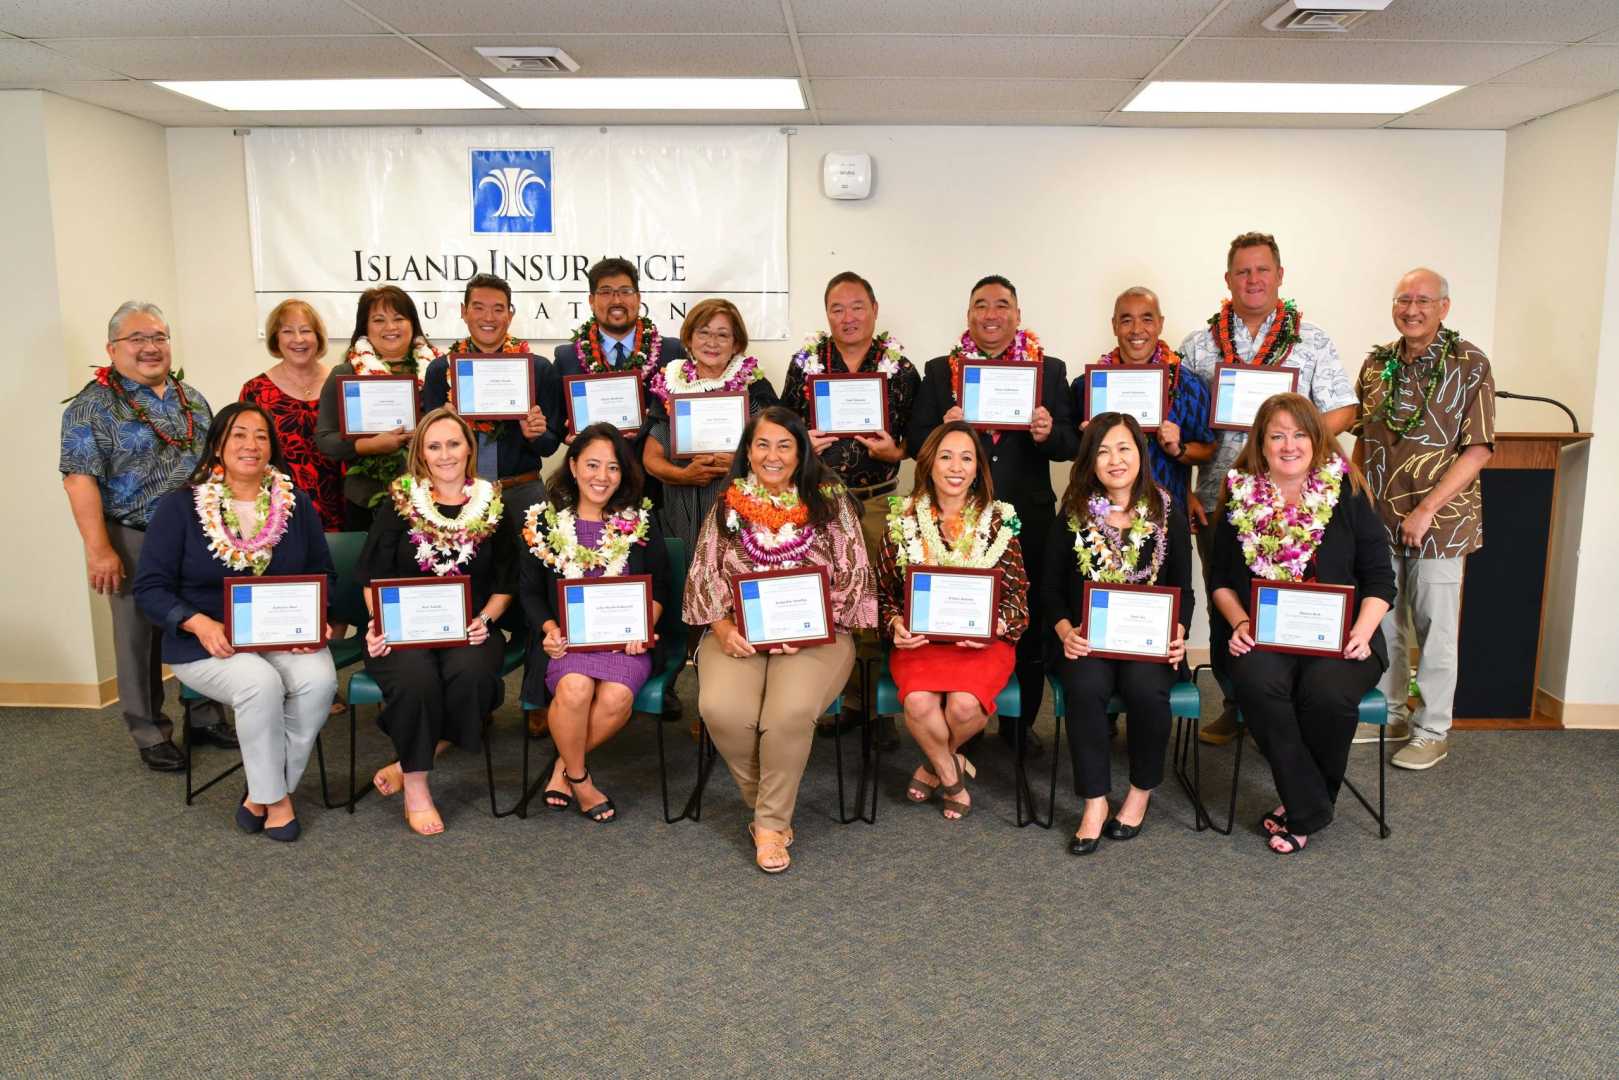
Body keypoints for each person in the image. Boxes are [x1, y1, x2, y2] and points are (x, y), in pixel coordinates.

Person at [1182, 233, 1359, 748]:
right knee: (1227, 600)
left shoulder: (1313, 341)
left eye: (1262, 270)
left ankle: (1286, 711)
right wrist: (1187, 488)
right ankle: (1238, 706)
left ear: (1280, 275)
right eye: (1242, 271)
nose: (1253, 279)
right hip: (1218, 496)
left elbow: (1345, 409)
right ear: (1228, 280)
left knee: (1293, 599)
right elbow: (1184, 424)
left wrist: (1289, 438)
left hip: (1295, 502)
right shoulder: (1199, 344)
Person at [133, 403, 340, 841]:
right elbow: (150, 588)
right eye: (239, 435)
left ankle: (259, 793)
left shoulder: (295, 503)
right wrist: (198, 623)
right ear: (219, 445)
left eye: (262, 436)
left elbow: (325, 574)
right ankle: (279, 800)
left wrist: (320, 618)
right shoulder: (181, 506)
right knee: (258, 684)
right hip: (207, 641)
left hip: (283, 634)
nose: (251, 445)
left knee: (319, 681)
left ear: (272, 447)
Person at [683, 407, 876, 873]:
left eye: (784, 445)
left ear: (801, 452)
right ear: (748, 452)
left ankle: (769, 823)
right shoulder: (728, 503)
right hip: (736, 630)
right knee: (722, 711)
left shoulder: (829, 499)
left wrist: (807, 624)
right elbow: (705, 572)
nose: (773, 455)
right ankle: (767, 797)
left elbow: (854, 575)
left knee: (786, 716)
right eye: (762, 445)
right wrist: (724, 629)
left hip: (816, 635)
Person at [1209, 394, 1395, 854]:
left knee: (1326, 691)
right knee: (1255, 680)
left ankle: (1299, 805)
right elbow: (1220, 583)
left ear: (1317, 439)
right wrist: (1238, 623)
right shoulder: (1240, 495)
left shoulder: (1348, 493)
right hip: (1267, 634)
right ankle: (1309, 805)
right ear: (1261, 443)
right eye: (1277, 435)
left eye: (1299, 434)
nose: (1288, 445)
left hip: (1345, 636)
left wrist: (1362, 633)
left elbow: (1380, 580)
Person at [908, 275, 1078, 752]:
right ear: (969, 316)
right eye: (981, 305)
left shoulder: (1049, 370)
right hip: (957, 523)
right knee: (964, 618)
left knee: (1027, 620)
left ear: (1017, 315)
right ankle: (970, 719)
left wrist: (1048, 432)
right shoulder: (942, 372)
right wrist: (940, 431)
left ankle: (1020, 728)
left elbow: (1072, 443)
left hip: (1028, 518)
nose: (991, 314)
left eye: (1001, 305)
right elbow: (914, 440)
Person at [60, 300, 229, 772]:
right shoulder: (90, 408)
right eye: (138, 339)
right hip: (132, 536)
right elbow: (79, 479)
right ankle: (149, 730)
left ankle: (205, 713)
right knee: (138, 636)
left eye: (159, 337)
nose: (150, 347)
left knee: (203, 616)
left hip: (197, 535)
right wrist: (99, 549)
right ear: (112, 347)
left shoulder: (190, 398)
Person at [1353, 268, 1495, 771]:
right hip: (1380, 518)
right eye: (1402, 300)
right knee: (1383, 621)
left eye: (1423, 300)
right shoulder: (1377, 364)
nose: (1411, 309)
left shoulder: (1469, 363)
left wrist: (1426, 508)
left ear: (1445, 307)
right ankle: (1388, 713)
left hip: (1441, 518)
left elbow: (1477, 450)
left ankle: (1433, 728)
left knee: (1435, 627)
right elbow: (1362, 435)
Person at [357, 407, 515, 836]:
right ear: (421, 455)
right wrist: (379, 622)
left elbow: (506, 581)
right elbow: (371, 577)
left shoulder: (492, 503)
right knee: (415, 679)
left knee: (472, 674)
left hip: (469, 627)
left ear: (469, 449)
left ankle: (418, 748)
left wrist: (485, 618)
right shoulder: (400, 502)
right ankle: (416, 783)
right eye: (434, 446)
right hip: (402, 628)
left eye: (453, 444)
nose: (445, 454)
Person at [422, 272, 564, 737]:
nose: (488, 317)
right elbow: (429, 438)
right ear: (463, 312)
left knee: (532, 591)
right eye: (478, 307)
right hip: (460, 498)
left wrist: (535, 431)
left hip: (521, 490)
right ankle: (477, 693)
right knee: (470, 587)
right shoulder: (441, 371)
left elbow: (548, 444)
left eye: (497, 308)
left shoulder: (537, 368)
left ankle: (533, 698)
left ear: (510, 314)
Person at [1043, 414, 1192, 856]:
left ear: (1140, 455)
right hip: (1089, 639)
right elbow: (1050, 589)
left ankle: (1140, 793)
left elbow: (1183, 588)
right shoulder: (1072, 515)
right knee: (1085, 687)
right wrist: (1066, 631)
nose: (1114, 460)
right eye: (1103, 450)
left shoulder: (1166, 512)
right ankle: (1093, 803)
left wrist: (1179, 631)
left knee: (1147, 691)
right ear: (1090, 460)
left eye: (1124, 448)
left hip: (1150, 644)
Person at [781, 271, 921, 741]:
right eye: (838, 308)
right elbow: (782, 431)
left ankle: (874, 707)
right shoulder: (805, 365)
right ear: (827, 315)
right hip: (819, 504)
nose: (848, 317)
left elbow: (917, 439)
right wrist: (803, 445)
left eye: (857, 306)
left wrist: (894, 452)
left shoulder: (901, 369)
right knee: (826, 600)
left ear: (875, 310)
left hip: (876, 501)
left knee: (876, 601)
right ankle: (831, 700)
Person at [519, 423, 671, 822]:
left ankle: (563, 769)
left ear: (624, 473)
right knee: (575, 687)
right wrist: (550, 632)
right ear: (572, 466)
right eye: (592, 465)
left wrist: (642, 627)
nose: (602, 477)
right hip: (565, 640)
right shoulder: (544, 524)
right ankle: (582, 780)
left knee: (617, 696)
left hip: (625, 643)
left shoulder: (639, 523)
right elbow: (530, 593)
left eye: (613, 467)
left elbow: (661, 589)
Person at [877, 422, 1027, 821]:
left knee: (963, 706)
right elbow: (881, 594)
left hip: (982, 643)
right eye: (945, 456)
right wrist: (894, 624)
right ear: (928, 464)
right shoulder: (901, 522)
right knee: (920, 702)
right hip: (921, 643)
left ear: (979, 468)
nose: (955, 467)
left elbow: (1017, 599)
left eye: (966, 458)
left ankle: (932, 767)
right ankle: (952, 774)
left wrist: (995, 626)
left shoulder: (999, 522)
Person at [643, 297, 779, 555]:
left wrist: (739, 464)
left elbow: (779, 450)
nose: (712, 343)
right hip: (682, 507)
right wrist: (684, 475)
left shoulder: (756, 387)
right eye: (703, 333)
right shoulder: (670, 384)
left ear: (736, 343)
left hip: (745, 504)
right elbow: (651, 457)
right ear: (690, 339)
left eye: (722, 335)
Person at [1072, 287, 1215, 513]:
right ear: (1114, 325)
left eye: (1147, 319)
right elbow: (1071, 451)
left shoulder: (1187, 385)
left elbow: (1208, 451)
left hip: (1169, 513)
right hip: (1103, 517)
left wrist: (1179, 448)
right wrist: (1085, 439)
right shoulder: (1086, 386)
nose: (1137, 330)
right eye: (1126, 320)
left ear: (1160, 323)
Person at [315, 286, 440, 532]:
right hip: (365, 500)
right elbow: (324, 440)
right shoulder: (346, 373)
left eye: (398, 318)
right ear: (365, 327)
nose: (390, 327)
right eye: (379, 320)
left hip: (431, 496)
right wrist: (371, 445)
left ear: (412, 323)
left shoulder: (437, 371)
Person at [239, 299, 345, 531]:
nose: (298, 339)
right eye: (288, 331)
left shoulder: (343, 383)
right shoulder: (256, 391)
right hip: (281, 510)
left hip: (344, 506)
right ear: (276, 339)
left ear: (318, 337)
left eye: (306, 330)